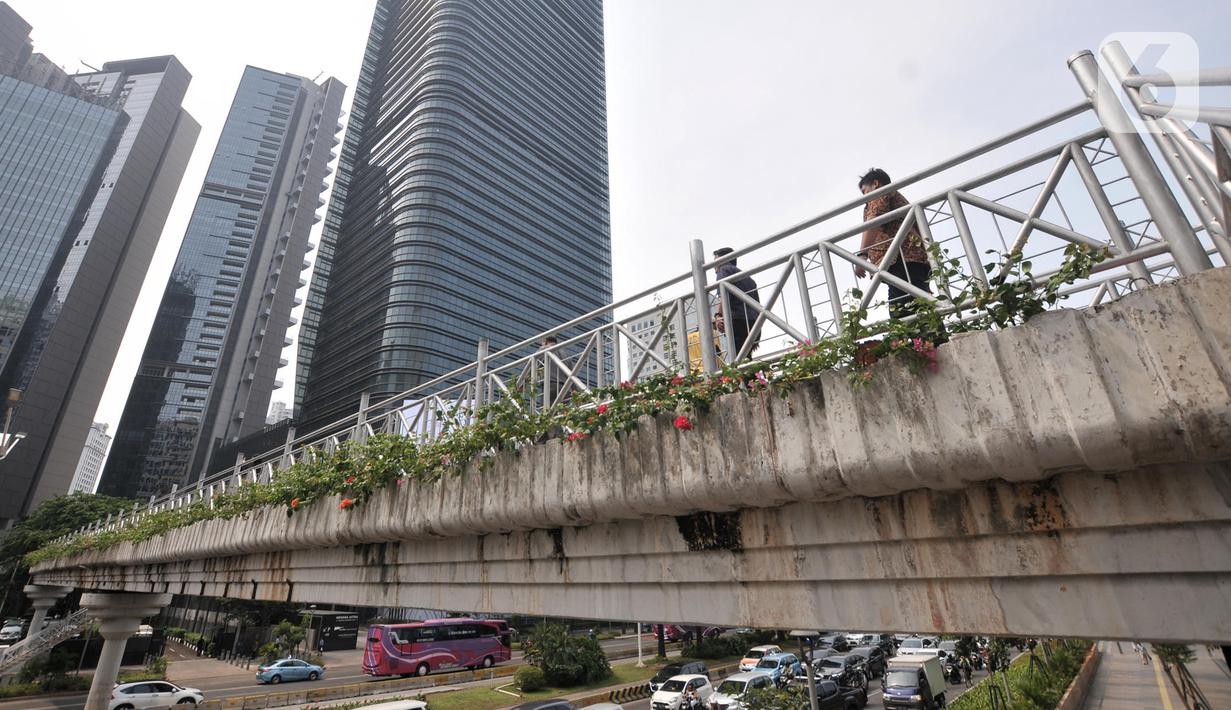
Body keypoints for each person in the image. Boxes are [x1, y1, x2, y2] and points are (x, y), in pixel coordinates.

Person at [854, 168, 933, 319]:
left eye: (865, 192)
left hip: (901, 258)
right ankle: (929, 341)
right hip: (908, 259)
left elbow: (874, 221)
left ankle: (928, 342)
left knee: (903, 311)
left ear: (875, 184)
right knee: (918, 305)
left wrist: (862, 255)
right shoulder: (894, 197)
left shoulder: (881, 194)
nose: (864, 198)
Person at [712, 247, 761, 360]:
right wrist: (757, 334)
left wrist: (718, 316)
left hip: (737, 321)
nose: (713, 265)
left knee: (739, 360)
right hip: (753, 323)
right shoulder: (749, 279)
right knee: (746, 358)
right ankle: (755, 377)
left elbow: (723, 297)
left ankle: (750, 378)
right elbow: (759, 308)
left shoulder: (723, 270)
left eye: (715, 260)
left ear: (722, 260)